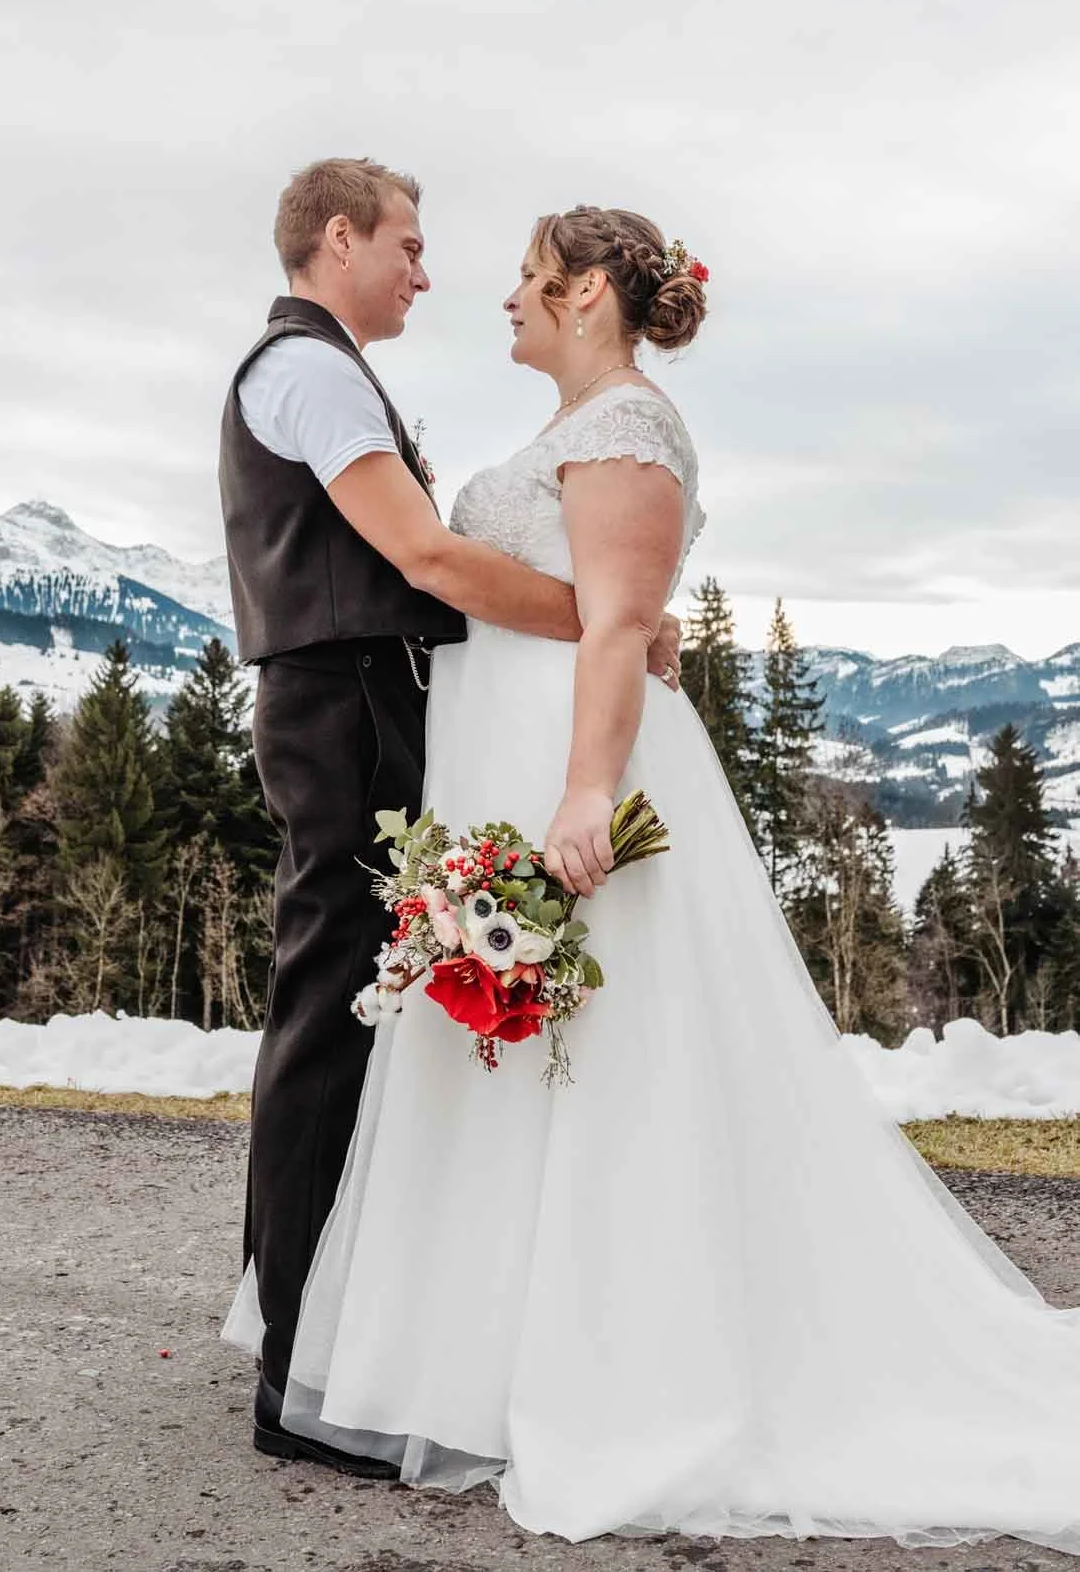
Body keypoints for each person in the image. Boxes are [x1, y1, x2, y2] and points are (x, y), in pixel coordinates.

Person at [224, 203, 1080, 1552]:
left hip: (573, 765)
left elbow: (616, 622)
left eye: (527, 276)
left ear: (585, 297)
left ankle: (620, 1359)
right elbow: (554, 592)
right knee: (514, 1071)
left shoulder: (631, 428)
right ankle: (485, 1356)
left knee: (607, 1064)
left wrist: (582, 794)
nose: (502, 295)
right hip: (497, 757)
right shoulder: (577, 430)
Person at [218, 162, 682, 1479]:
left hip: (374, 704)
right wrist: (605, 622)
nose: (430, 272)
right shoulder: (304, 367)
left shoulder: (331, 369)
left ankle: (308, 1325)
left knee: (348, 1006)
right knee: (330, 1010)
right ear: (341, 237)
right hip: (343, 710)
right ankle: (298, 1361)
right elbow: (422, 557)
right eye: (411, 246)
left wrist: (613, 622)